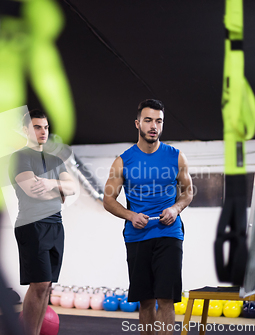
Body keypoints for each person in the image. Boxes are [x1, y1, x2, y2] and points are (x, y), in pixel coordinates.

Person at [103, 99, 193, 335]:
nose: (154, 126)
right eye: (148, 120)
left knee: (165, 299)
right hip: (137, 236)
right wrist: (131, 215)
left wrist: (175, 209)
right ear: (138, 123)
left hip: (169, 234)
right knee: (145, 301)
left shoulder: (176, 156)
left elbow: (188, 192)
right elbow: (108, 200)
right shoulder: (122, 161)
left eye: (159, 121)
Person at [9, 109, 76, 335]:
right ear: (25, 130)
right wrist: (58, 188)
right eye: (37, 127)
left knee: (46, 287)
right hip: (32, 225)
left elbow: (72, 188)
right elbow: (32, 190)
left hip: (56, 225)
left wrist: (49, 184)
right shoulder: (20, 157)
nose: (43, 131)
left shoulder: (56, 160)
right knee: (38, 285)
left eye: (46, 127)